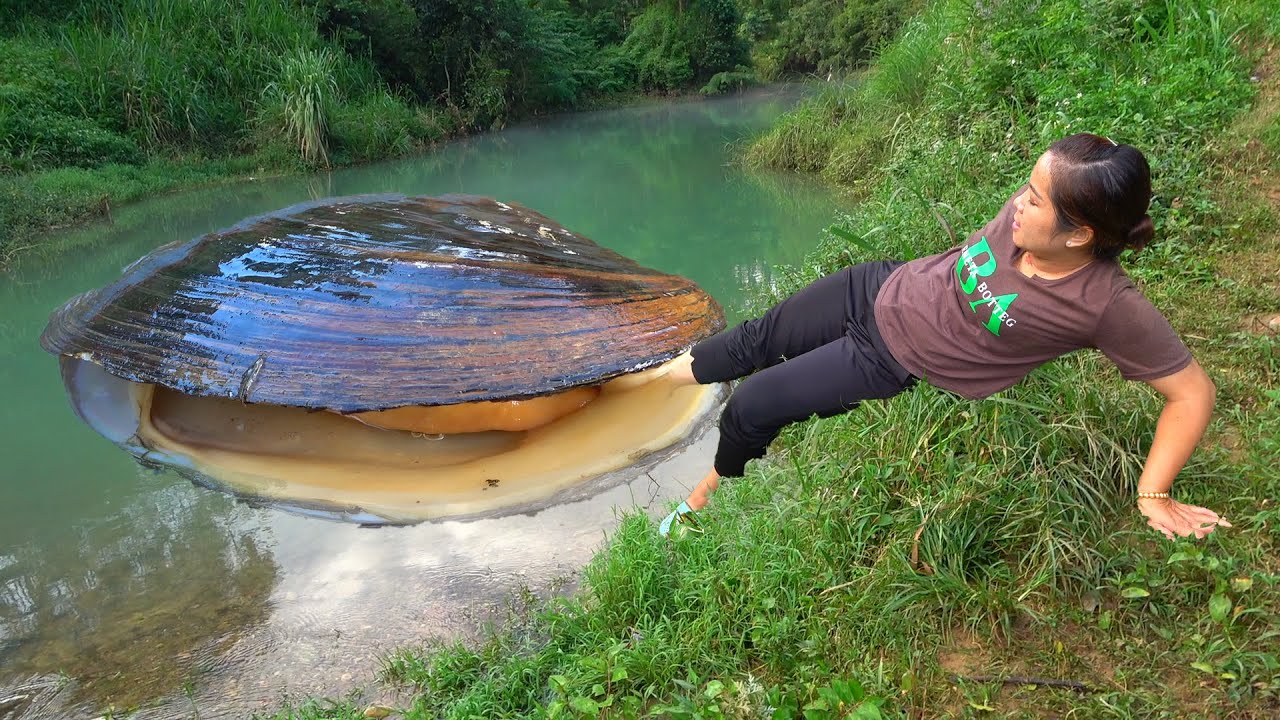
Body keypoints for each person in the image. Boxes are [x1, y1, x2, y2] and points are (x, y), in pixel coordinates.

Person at [657, 133, 1229, 542]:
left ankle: (708, 494)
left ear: (1080, 233)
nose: (1018, 205)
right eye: (1027, 187)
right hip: (878, 285)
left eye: (1035, 199)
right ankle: (643, 380)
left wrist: (1153, 492)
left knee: (753, 405)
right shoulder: (1030, 218)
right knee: (751, 340)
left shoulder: (1106, 304)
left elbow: (1192, 393)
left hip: (886, 359)